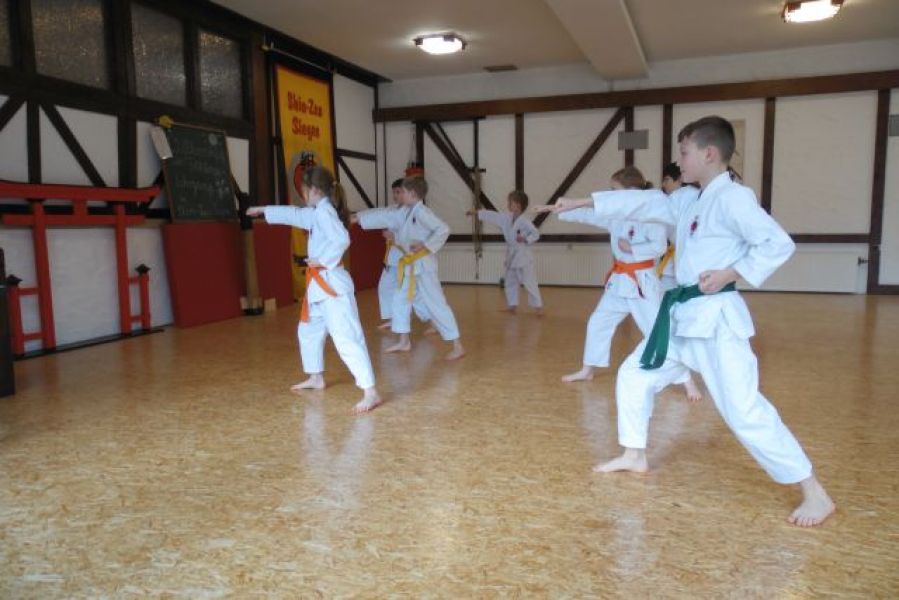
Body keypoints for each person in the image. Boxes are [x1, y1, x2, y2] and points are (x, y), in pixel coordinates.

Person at [537, 116, 834, 527]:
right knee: (634, 374)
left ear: (709, 153)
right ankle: (634, 454)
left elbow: (777, 243)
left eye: (684, 152)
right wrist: (582, 203)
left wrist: (730, 272)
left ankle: (814, 492)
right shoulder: (688, 199)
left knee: (743, 410)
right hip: (682, 319)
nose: (679, 161)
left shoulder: (733, 198)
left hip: (716, 322)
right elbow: (640, 203)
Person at [246, 166, 382, 415]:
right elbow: (296, 215)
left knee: (346, 336)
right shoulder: (318, 211)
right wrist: (265, 210)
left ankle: (370, 391)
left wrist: (322, 260)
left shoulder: (326, 212)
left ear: (315, 190)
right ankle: (316, 376)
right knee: (308, 331)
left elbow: (342, 239)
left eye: (304, 191)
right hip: (319, 286)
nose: (303, 195)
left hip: (332, 286)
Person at [353, 176, 465, 361]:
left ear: (412, 194)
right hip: (410, 265)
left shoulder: (422, 212)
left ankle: (457, 345)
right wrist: (358, 218)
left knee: (436, 303)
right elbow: (385, 215)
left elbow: (443, 229)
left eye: (403, 192)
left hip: (423, 265)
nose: (400, 195)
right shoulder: (406, 211)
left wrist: (426, 245)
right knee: (400, 300)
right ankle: (404, 341)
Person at [468, 190, 543, 314]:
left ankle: (538, 307)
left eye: (510, 202)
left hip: (523, 256)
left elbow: (536, 234)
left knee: (529, 282)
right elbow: (493, 216)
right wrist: (477, 213)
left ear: (518, 205)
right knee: (510, 281)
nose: (508, 204)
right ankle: (512, 305)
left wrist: (526, 239)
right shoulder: (507, 218)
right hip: (512, 255)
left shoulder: (525, 222)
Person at [377, 178, 433, 333]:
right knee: (385, 287)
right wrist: (359, 218)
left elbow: (415, 236)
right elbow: (378, 216)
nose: (396, 195)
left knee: (414, 294)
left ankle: (432, 320)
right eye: (394, 192)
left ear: (407, 193)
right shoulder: (392, 210)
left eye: (399, 192)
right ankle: (393, 319)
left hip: (407, 258)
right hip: (392, 258)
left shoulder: (415, 212)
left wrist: (394, 236)